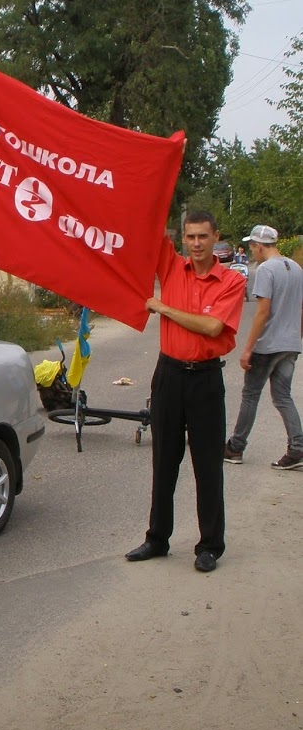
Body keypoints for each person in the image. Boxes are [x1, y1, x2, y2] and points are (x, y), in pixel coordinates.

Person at [126, 212, 246, 573]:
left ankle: (209, 545)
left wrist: (163, 307)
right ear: (183, 240)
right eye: (190, 237)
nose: (196, 244)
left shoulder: (231, 282)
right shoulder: (172, 266)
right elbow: (147, 220)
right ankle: (157, 538)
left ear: (216, 238)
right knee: (164, 461)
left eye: (203, 237)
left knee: (207, 465)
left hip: (205, 380)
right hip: (169, 375)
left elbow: (212, 327)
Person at [223, 225, 303, 470]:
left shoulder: (265, 269)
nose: (251, 251)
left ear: (259, 245)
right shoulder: (296, 268)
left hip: (268, 344)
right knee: (282, 396)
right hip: (290, 343)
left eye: (251, 246)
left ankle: (236, 447)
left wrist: (248, 348)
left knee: (250, 395)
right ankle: (298, 448)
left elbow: (263, 312)